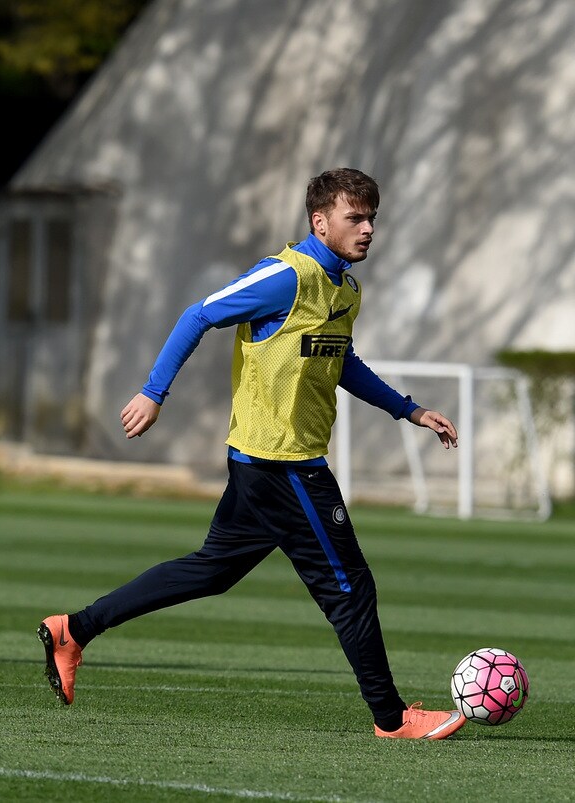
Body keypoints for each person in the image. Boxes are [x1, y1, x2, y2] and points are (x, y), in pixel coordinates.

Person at [38, 168, 468, 740]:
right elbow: (199, 313)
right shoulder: (285, 277)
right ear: (320, 222)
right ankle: (392, 719)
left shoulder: (345, 288)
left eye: (372, 218)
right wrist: (153, 392)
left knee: (211, 571)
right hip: (283, 466)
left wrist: (407, 410)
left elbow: (340, 359)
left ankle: (74, 630)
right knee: (349, 587)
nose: (368, 229)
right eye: (355, 218)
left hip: (266, 465)